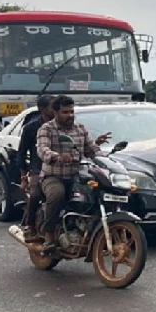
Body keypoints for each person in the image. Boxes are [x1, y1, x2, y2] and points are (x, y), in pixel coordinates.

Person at [33, 95, 109, 253]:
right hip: (53, 176)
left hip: (77, 175)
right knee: (56, 194)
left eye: (72, 111)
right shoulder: (46, 129)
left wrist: (105, 159)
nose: (70, 115)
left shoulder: (80, 128)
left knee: (99, 191)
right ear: (55, 112)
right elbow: (42, 149)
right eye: (65, 112)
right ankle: (49, 236)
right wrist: (57, 156)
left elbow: (92, 149)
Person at [17, 95, 55, 241]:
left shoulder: (63, 126)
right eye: (53, 107)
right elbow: (21, 154)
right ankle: (29, 224)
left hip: (59, 169)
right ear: (43, 109)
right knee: (35, 195)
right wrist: (24, 178)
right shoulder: (30, 128)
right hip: (37, 169)